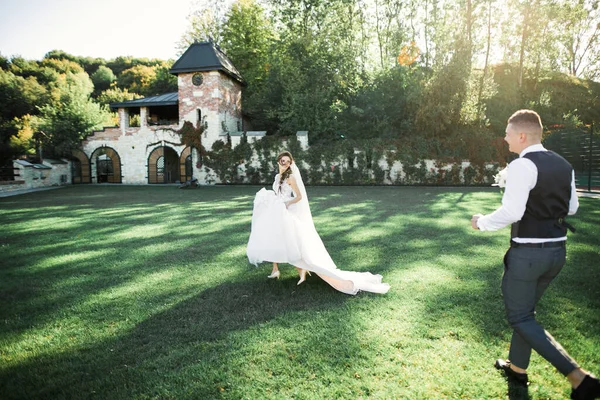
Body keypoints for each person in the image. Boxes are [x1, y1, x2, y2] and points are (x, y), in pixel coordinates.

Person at [471, 110, 599, 400]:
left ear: (522, 135)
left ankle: (579, 378)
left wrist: (481, 222)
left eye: (507, 133)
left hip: (528, 256)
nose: (504, 138)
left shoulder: (522, 165)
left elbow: (513, 212)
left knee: (520, 317)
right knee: (526, 314)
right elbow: (572, 207)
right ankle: (517, 368)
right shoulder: (564, 164)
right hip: (557, 253)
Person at [247, 151, 390, 295]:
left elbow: (299, 196)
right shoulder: (278, 177)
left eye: (287, 161)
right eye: (282, 161)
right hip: (278, 211)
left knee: (290, 242)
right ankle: (275, 269)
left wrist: (287, 203)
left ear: (290, 164)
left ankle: (301, 269)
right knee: (275, 238)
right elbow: (277, 194)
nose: (284, 163)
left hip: (286, 210)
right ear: (278, 161)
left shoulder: (291, 177)